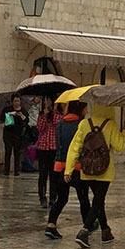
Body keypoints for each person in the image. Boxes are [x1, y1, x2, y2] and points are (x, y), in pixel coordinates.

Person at [65, 105, 125, 249]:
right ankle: (85, 230)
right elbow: (119, 146)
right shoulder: (110, 124)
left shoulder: (84, 124)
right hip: (104, 170)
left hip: (87, 169)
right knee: (98, 200)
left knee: (99, 201)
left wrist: (68, 170)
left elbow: (75, 147)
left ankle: (106, 231)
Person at [45, 101, 89, 239]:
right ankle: (87, 224)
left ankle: (51, 224)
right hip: (76, 166)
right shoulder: (81, 125)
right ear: (80, 109)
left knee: (62, 198)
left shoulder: (60, 123)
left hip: (59, 165)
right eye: (85, 109)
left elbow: (58, 144)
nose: (86, 111)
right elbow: (80, 147)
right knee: (83, 197)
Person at [34, 96, 59, 208]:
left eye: (48, 100)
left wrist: (52, 112)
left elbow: (57, 124)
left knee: (53, 175)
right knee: (42, 174)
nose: (46, 102)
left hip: (53, 147)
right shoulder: (41, 114)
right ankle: (42, 197)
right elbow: (39, 128)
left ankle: (53, 197)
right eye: (45, 100)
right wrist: (44, 115)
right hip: (43, 147)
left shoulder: (57, 114)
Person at [2, 95, 28, 176]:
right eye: (15, 101)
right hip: (8, 133)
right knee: (8, 151)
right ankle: (6, 170)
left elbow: (26, 120)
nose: (16, 103)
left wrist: (21, 115)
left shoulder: (23, 110)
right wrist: (9, 114)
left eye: (18, 101)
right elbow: (2, 118)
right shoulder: (7, 109)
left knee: (17, 152)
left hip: (18, 134)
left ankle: (17, 170)